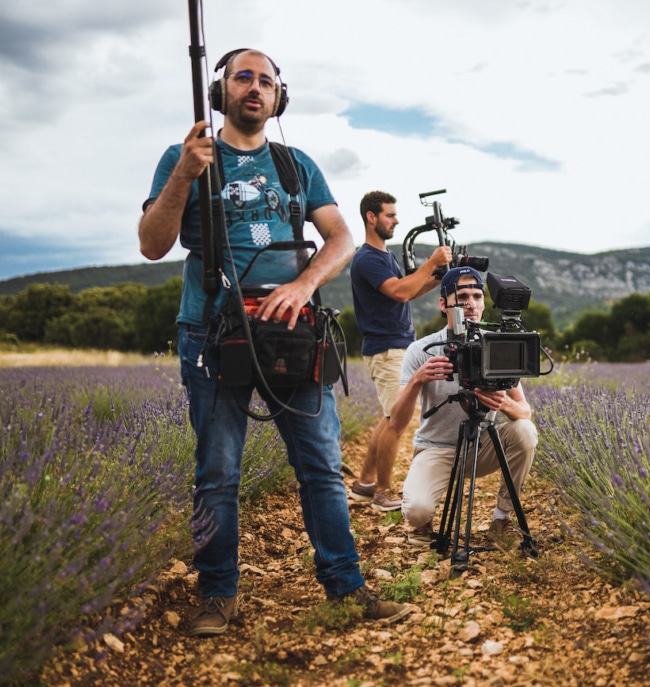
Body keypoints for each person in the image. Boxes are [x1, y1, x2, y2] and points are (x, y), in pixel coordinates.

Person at [139, 48, 409, 636]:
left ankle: (347, 585)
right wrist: (186, 173)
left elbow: (339, 238)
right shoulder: (184, 158)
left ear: (278, 97)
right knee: (217, 472)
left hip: (293, 331)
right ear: (223, 92)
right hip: (211, 333)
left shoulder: (295, 165)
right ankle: (217, 596)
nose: (255, 88)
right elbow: (152, 244)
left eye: (266, 81)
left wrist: (304, 282)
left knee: (319, 465)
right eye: (243, 78)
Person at [388, 266, 538, 546]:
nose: (471, 303)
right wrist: (417, 381)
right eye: (463, 296)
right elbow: (397, 421)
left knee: (525, 431)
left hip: (482, 445)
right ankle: (424, 515)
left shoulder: (497, 344)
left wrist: (502, 402)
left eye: (478, 296)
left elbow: (524, 412)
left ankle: (501, 519)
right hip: (437, 447)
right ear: (444, 304)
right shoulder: (421, 350)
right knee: (416, 512)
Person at [348, 191, 452, 511]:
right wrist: (431, 261)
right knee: (397, 419)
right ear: (371, 217)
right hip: (387, 347)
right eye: (390, 215)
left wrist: (437, 279)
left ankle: (365, 483)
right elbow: (399, 291)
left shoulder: (384, 256)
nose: (396, 221)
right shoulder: (367, 257)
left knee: (390, 415)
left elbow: (409, 292)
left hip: (398, 345)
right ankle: (383, 492)